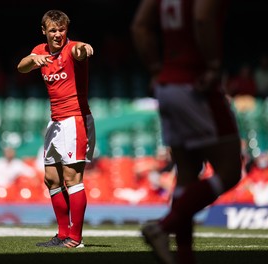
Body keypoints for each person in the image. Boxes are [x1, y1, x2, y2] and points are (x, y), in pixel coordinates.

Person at [131, 1, 242, 264]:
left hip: (167, 85)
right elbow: (203, 17)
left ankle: (184, 256)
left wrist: (157, 69)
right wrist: (214, 66)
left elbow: (139, 27)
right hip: (196, 85)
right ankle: (161, 227)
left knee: (187, 173)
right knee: (230, 171)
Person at [17, 9, 95, 248]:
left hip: (75, 119)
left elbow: (83, 50)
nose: (58, 34)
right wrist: (33, 60)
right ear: (44, 31)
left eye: (62, 30)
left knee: (73, 179)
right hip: (55, 122)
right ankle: (62, 234)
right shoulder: (40, 51)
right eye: (53, 30)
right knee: (51, 179)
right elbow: (21, 67)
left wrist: (85, 50)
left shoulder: (72, 49)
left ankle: (76, 238)